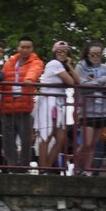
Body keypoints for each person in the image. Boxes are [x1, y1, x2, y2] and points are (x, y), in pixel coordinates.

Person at [0, 37, 42, 170]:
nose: (25, 50)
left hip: (24, 107)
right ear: (18, 48)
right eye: (22, 47)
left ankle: (24, 167)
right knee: (8, 140)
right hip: (7, 107)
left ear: (32, 49)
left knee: (26, 139)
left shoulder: (36, 61)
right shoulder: (10, 63)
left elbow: (35, 70)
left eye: (28, 47)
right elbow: (1, 83)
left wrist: (29, 79)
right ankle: (12, 166)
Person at [34, 41, 76, 172]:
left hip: (58, 103)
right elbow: (71, 82)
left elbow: (76, 81)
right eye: (59, 51)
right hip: (49, 102)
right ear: (54, 53)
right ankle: (43, 168)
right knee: (46, 135)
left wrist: (69, 64)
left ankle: (47, 166)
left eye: (64, 51)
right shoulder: (54, 64)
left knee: (61, 138)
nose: (62, 54)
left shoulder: (62, 66)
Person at [74, 41, 106, 175]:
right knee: (86, 142)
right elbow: (83, 86)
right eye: (92, 54)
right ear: (87, 54)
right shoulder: (80, 66)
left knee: (93, 144)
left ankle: (87, 170)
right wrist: (101, 81)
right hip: (87, 110)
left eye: (98, 54)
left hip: (102, 110)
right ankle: (76, 168)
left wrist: (94, 84)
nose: (95, 57)